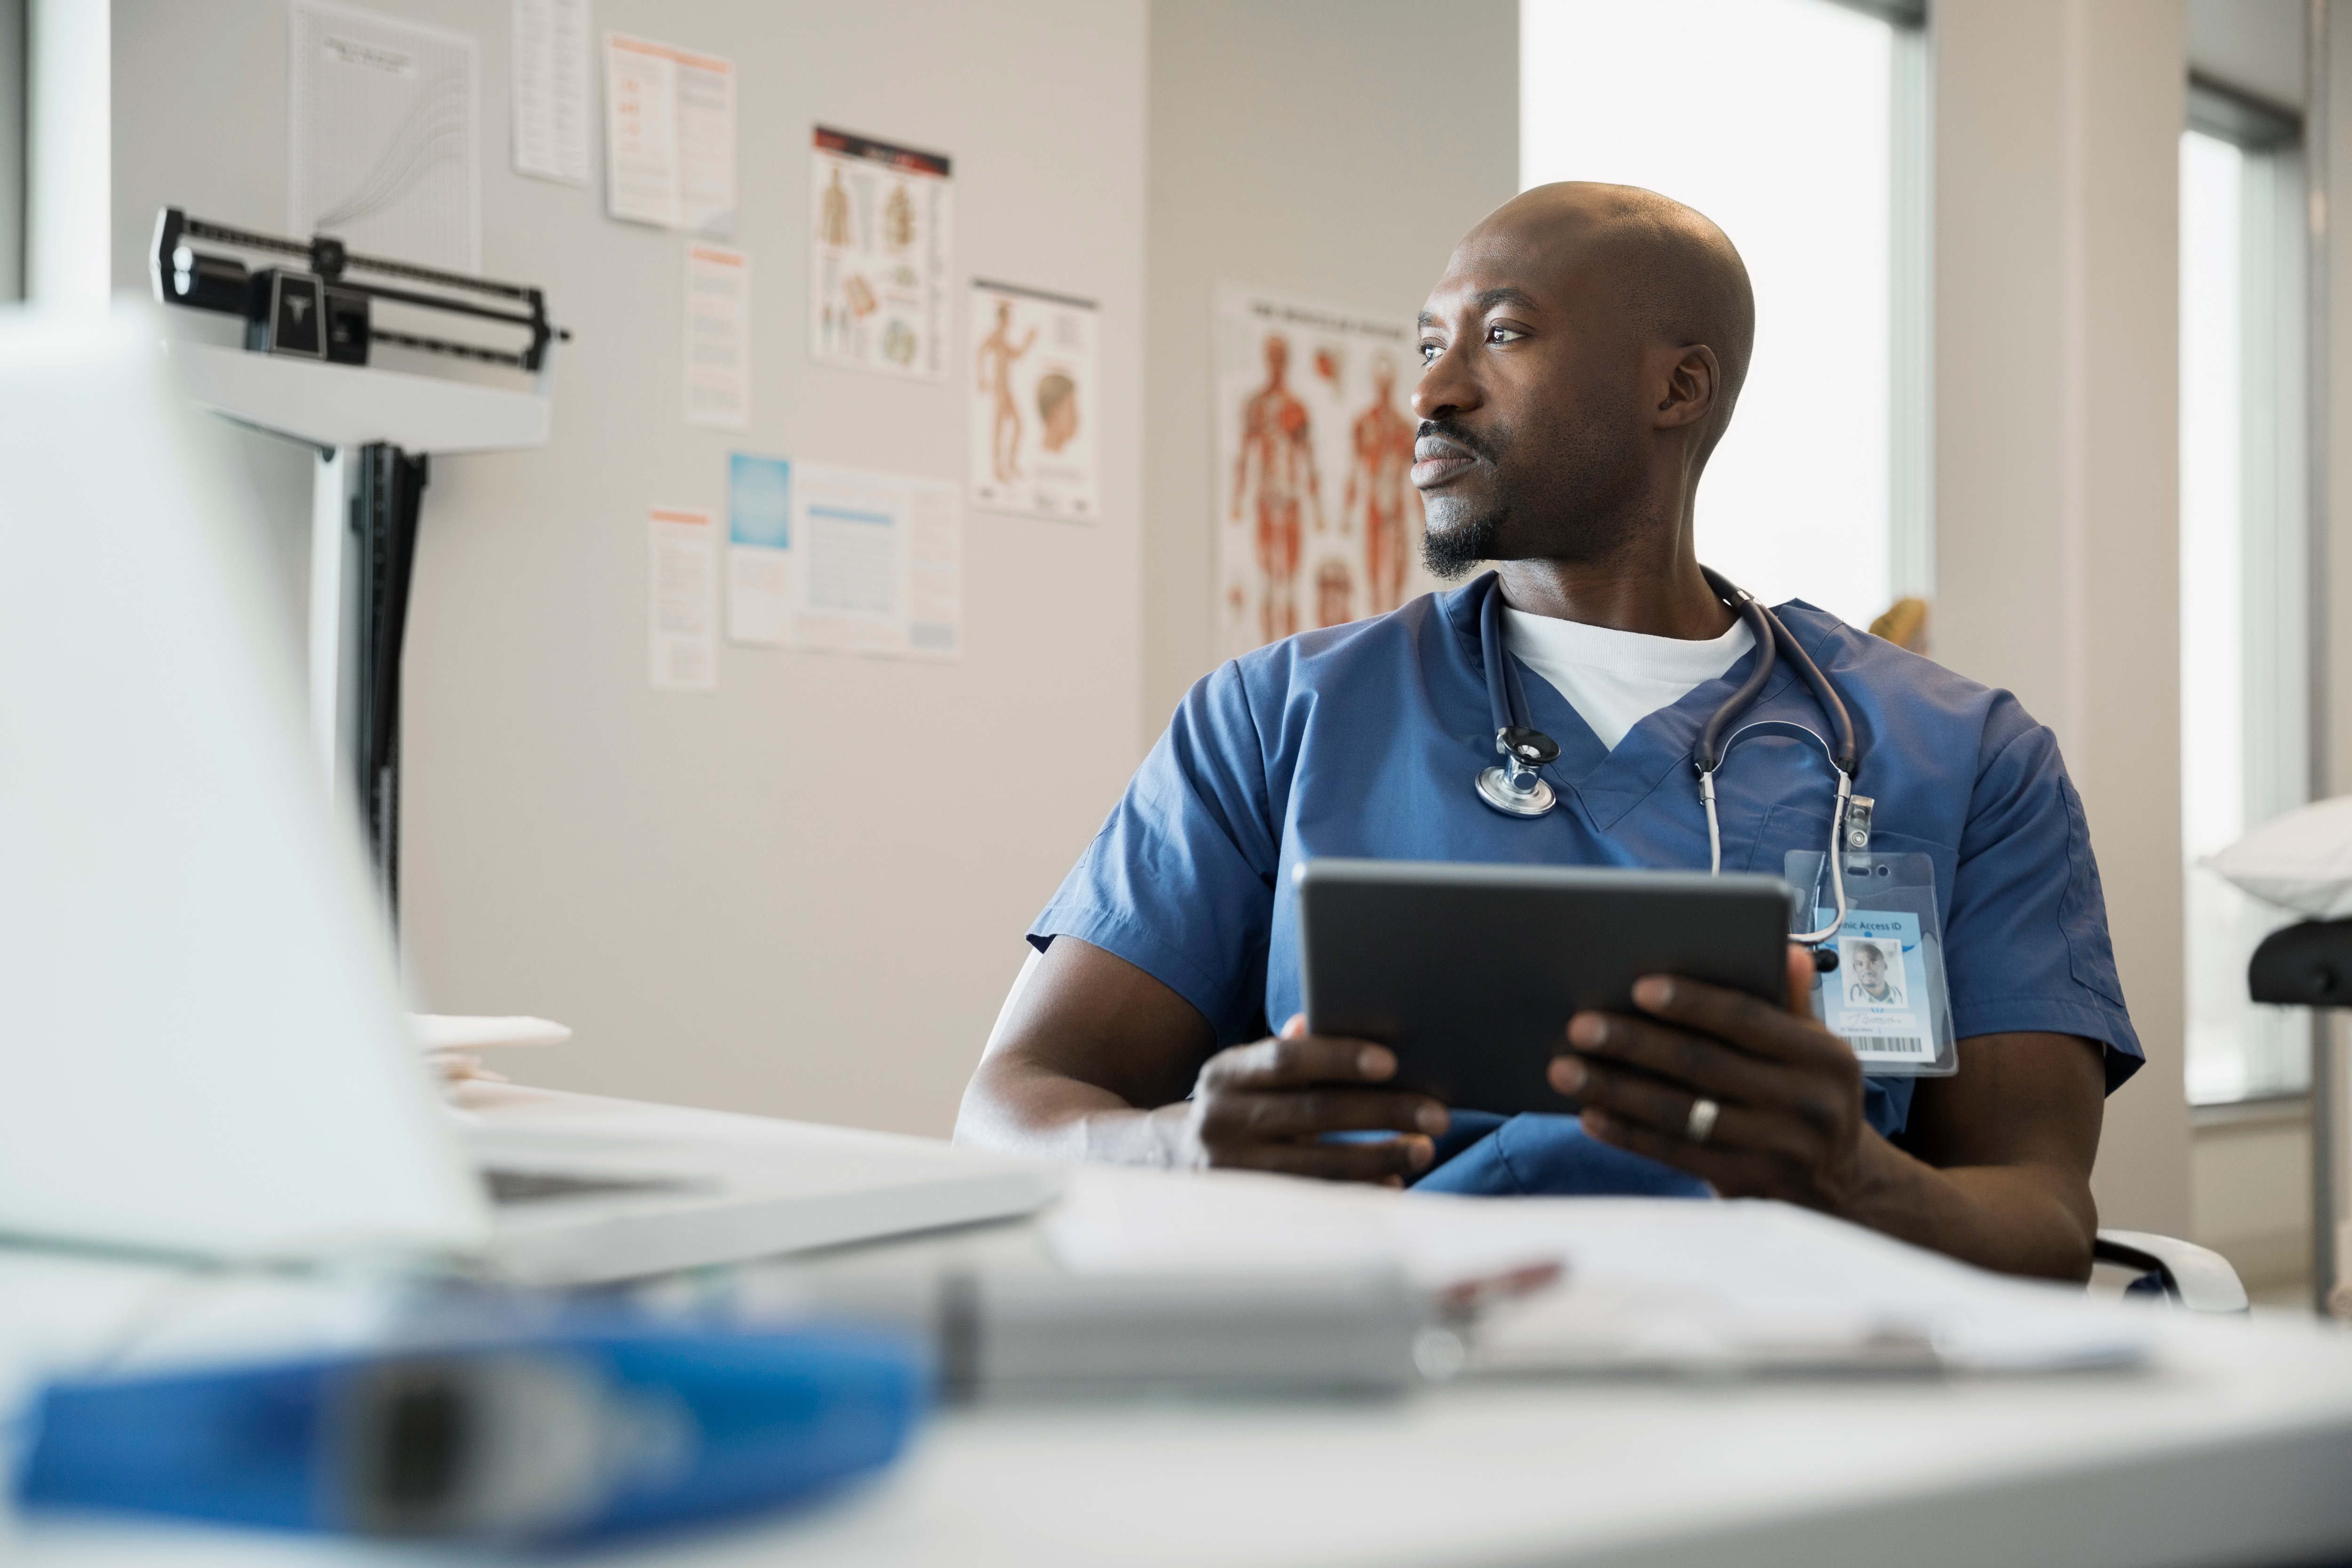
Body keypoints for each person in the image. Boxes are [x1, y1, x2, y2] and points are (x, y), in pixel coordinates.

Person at [956, 183, 2141, 1283]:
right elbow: (1007, 1109)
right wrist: (1183, 1151)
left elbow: (2042, 1215)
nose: (1430, 392)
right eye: (1427, 345)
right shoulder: (1277, 717)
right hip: (1378, 1367)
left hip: (1789, 1378)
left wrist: (1848, 1178)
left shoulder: (1962, 754)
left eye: (1503, 335)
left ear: (1676, 389)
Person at [1846, 940, 1905, 1006]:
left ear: (1885, 966)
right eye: (1860, 964)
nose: (1866, 969)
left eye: (1873, 963)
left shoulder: (1899, 995)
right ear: (1855, 968)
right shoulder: (1850, 996)